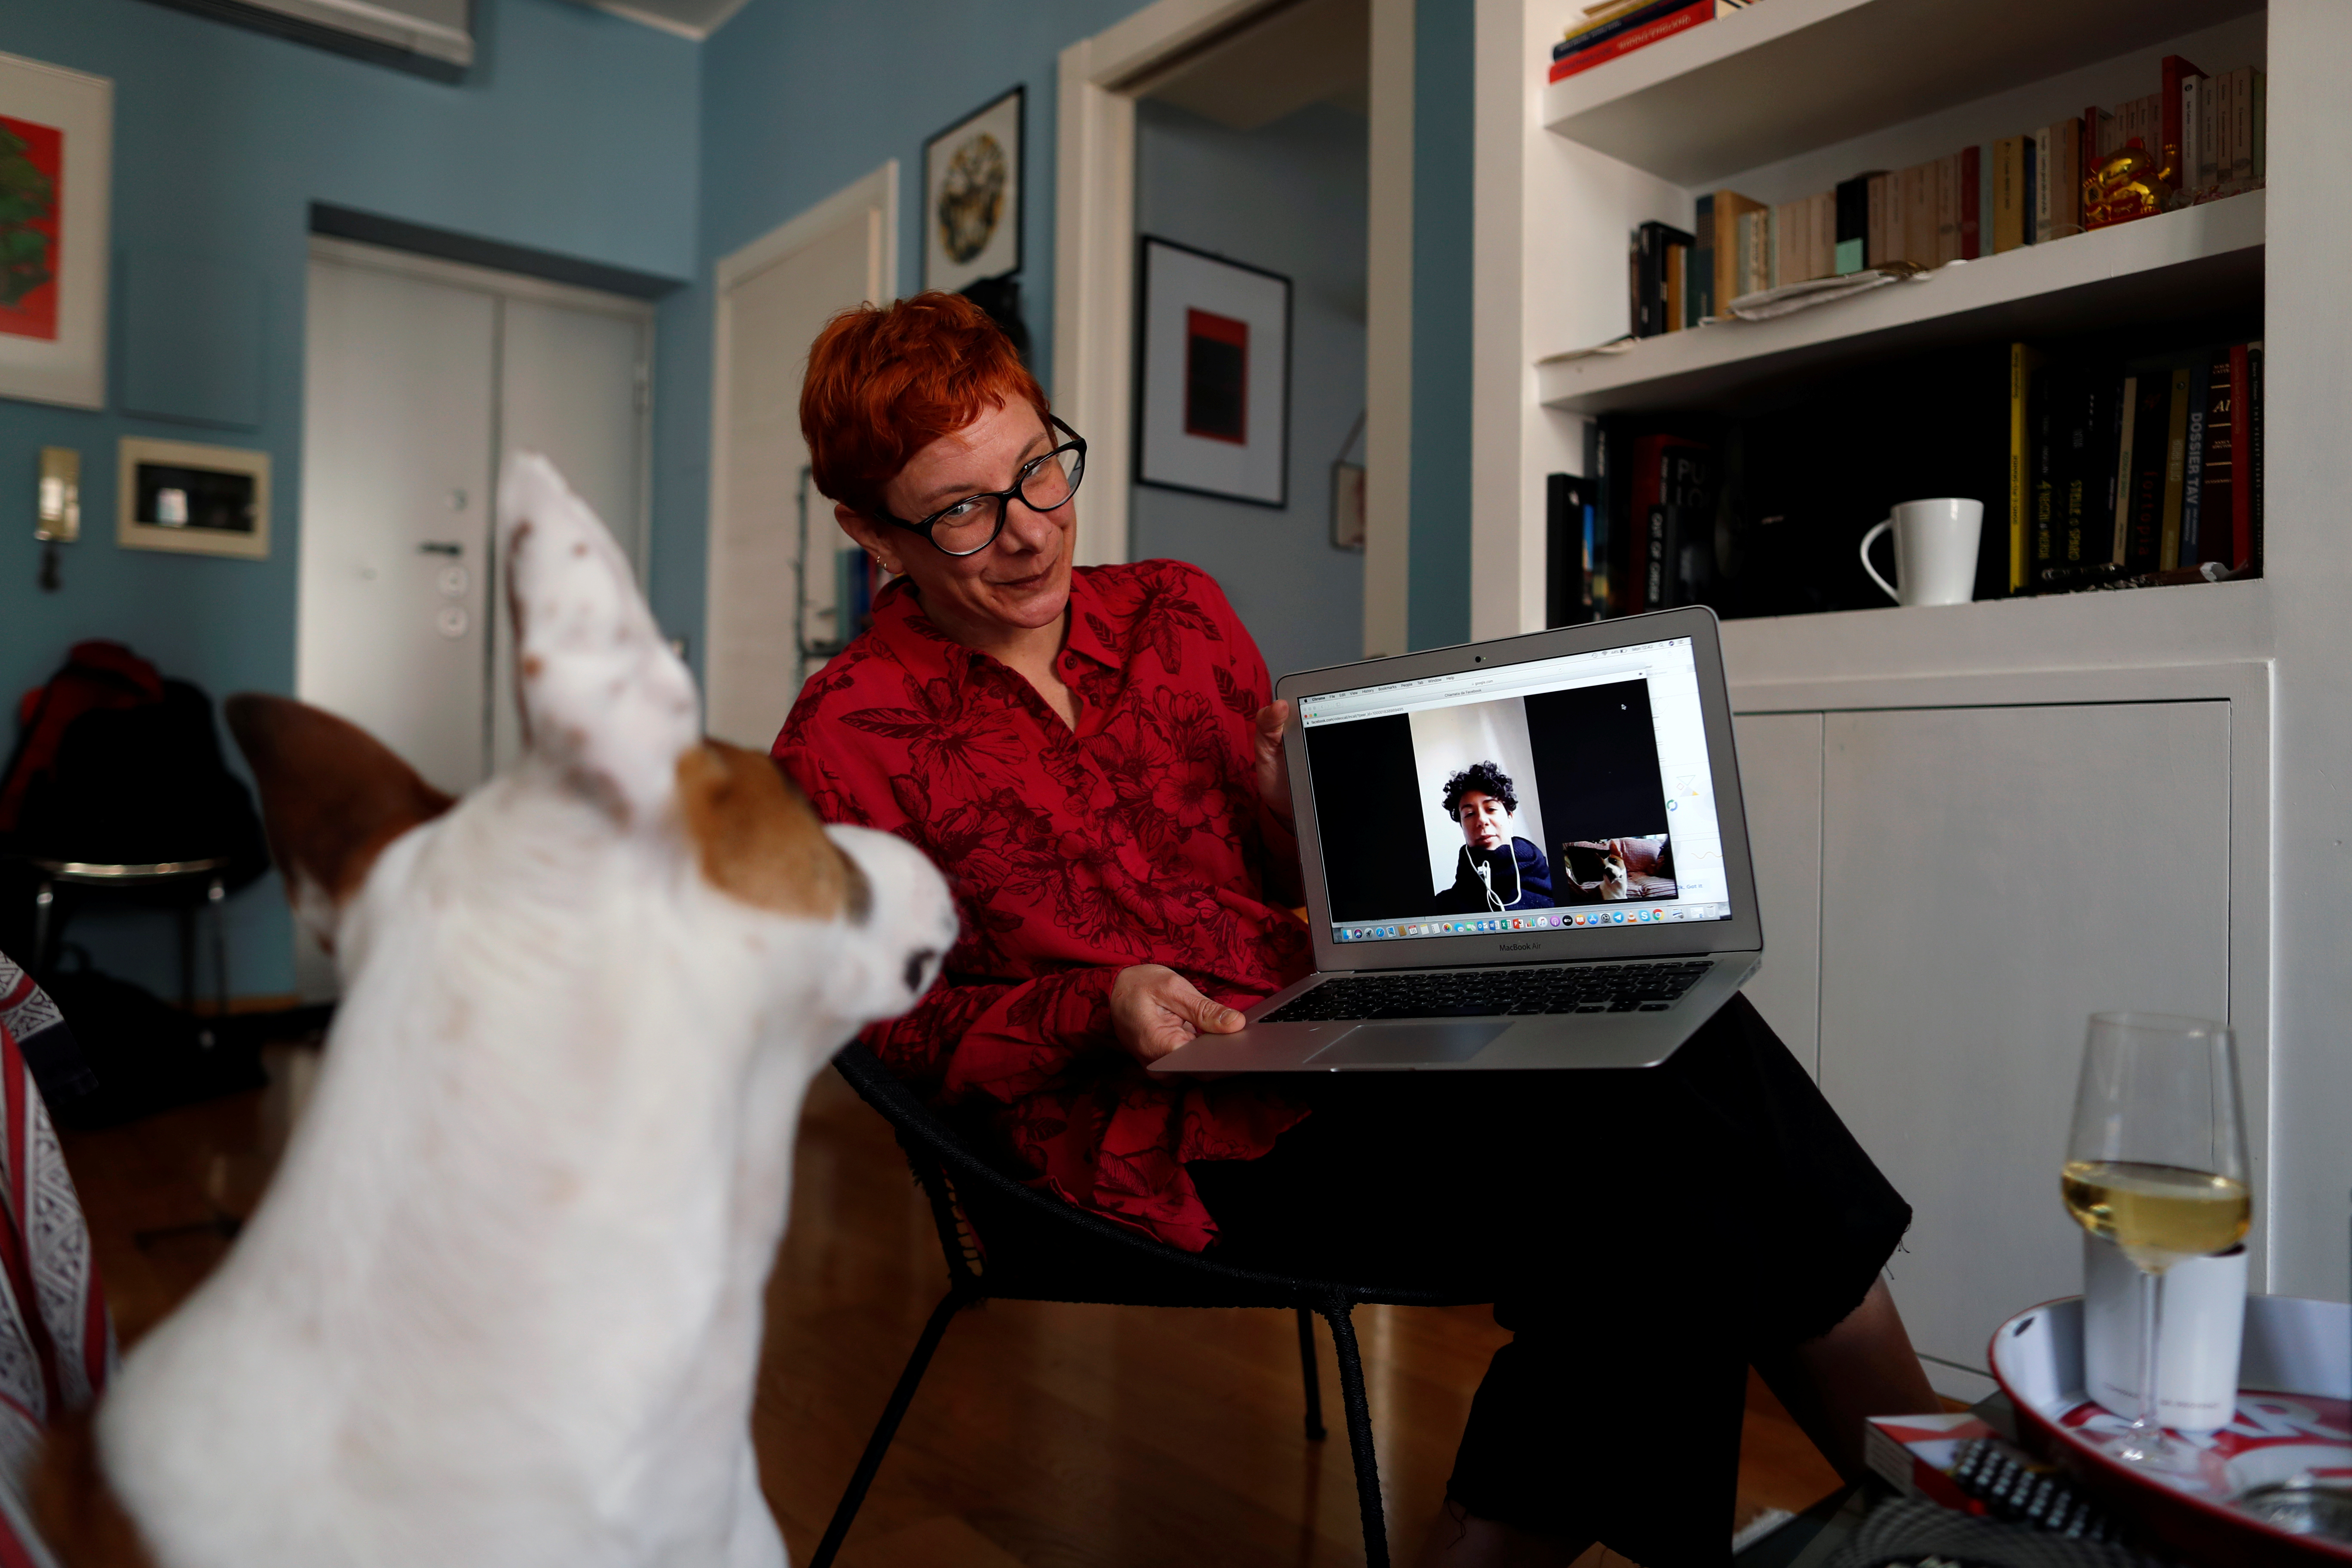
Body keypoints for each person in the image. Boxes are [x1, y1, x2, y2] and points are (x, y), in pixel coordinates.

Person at [773, 292, 1937, 1566]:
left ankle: (1936, 1512)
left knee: (1680, 1028)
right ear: (868, 531)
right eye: (961, 510)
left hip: (1326, 1040)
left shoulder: (1175, 611)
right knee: (1653, 1168)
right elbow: (881, 1035)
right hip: (1144, 1133)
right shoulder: (841, 739)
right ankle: (1942, 1495)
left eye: (1039, 468)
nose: (1029, 530)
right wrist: (1092, 1008)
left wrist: (1296, 817)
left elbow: (1288, 888)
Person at [1430, 761, 1554, 915]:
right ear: (1462, 826)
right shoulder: (1443, 906)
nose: (1482, 821)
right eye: (1470, 814)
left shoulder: (1563, 883)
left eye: (1491, 809)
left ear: (1510, 817)